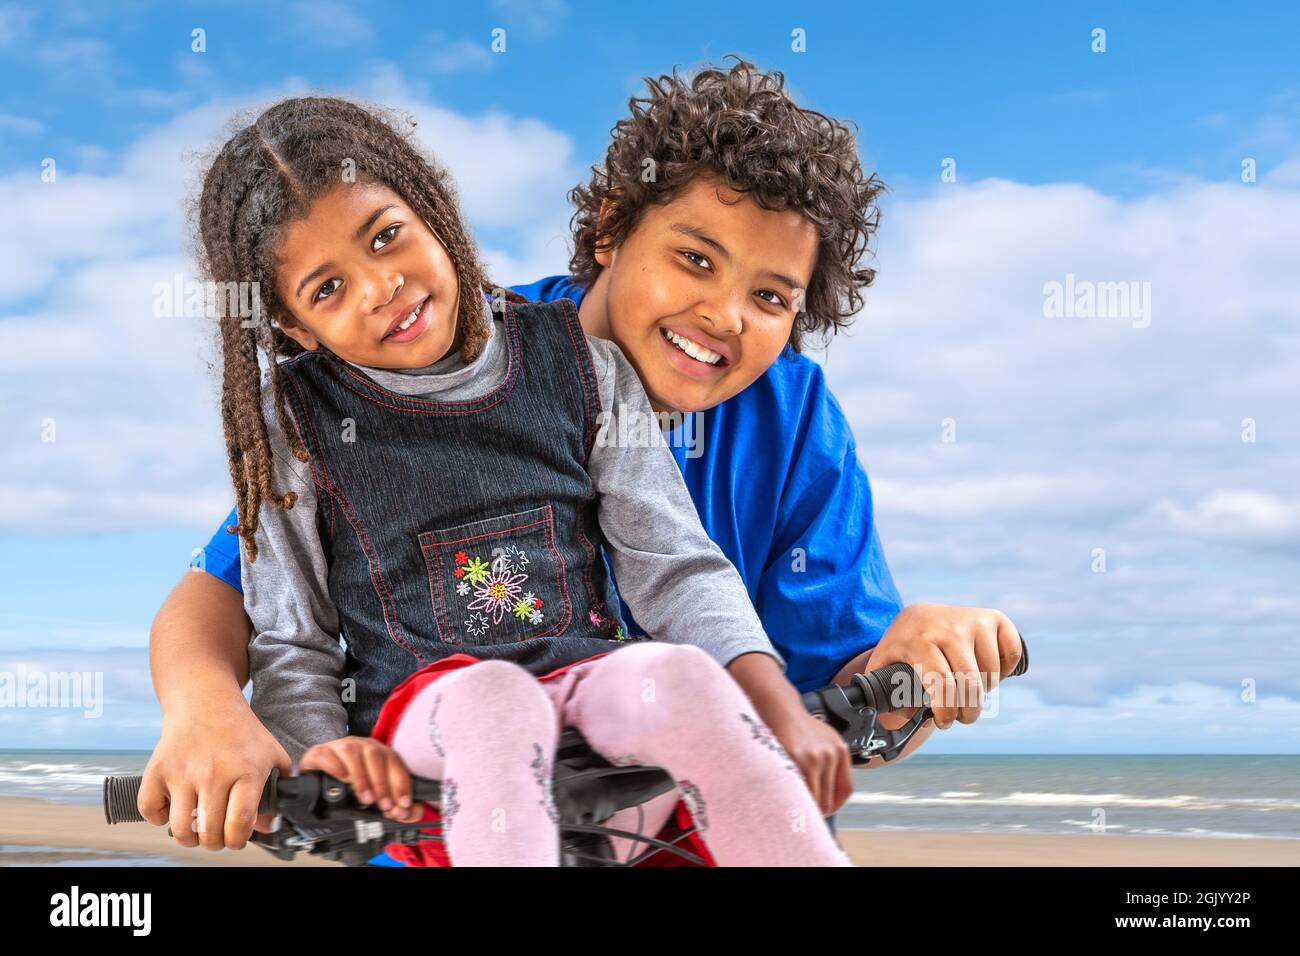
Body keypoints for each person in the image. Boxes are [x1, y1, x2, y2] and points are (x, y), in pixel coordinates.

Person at [140, 59, 1022, 860]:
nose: (723, 315)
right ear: (610, 228)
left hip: (655, 813)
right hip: (442, 790)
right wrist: (206, 711)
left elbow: (825, 702)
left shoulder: (790, 421)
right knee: (491, 706)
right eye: (692, 258)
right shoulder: (430, 354)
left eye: (770, 295)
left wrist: (911, 663)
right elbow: (232, 592)